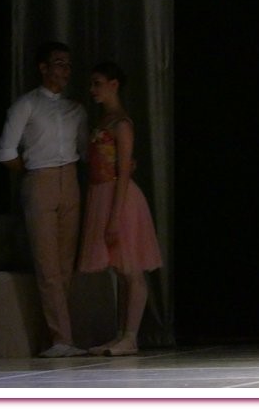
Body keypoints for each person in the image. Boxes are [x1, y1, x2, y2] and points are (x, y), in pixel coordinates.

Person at [0, 41, 88, 358]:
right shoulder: (27, 105)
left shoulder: (75, 109)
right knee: (47, 263)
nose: (65, 70)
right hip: (40, 179)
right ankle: (60, 338)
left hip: (71, 179)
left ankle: (59, 337)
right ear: (43, 67)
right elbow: (6, 153)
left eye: (68, 64)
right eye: (59, 63)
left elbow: (84, 150)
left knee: (65, 264)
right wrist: (34, 172)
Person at [77, 62, 162, 356]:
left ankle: (130, 335)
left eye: (98, 83)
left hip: (120, 197)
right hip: (101, 193)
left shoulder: (122, 123)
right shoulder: (105, 120)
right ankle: (121, 334)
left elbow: (124, 169)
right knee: (119, 270)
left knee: (131, 268)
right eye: (92, 84)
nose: (93, 90)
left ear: (114, 84)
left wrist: (114, 217)